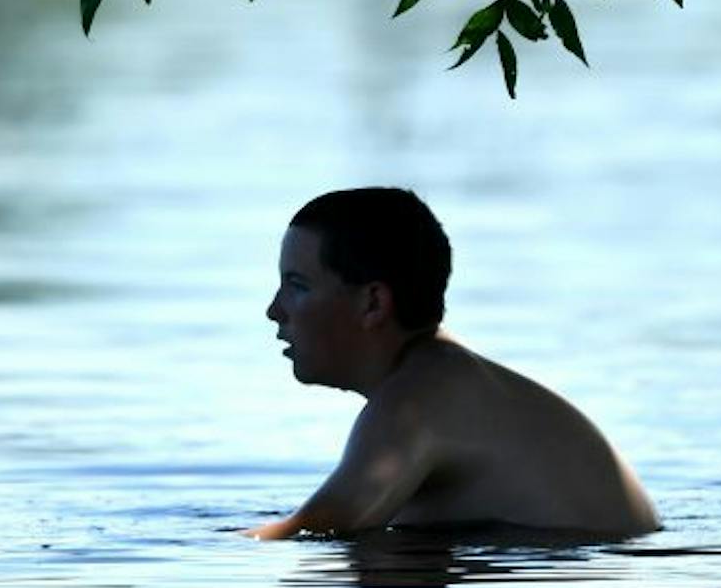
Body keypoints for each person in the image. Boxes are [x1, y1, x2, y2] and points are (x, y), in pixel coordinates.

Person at [249, 187, 659, 540]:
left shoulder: (418, 403)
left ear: (372, 302)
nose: (274, 310)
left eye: (297, 286)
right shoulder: (447, 376)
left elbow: (317, 529)